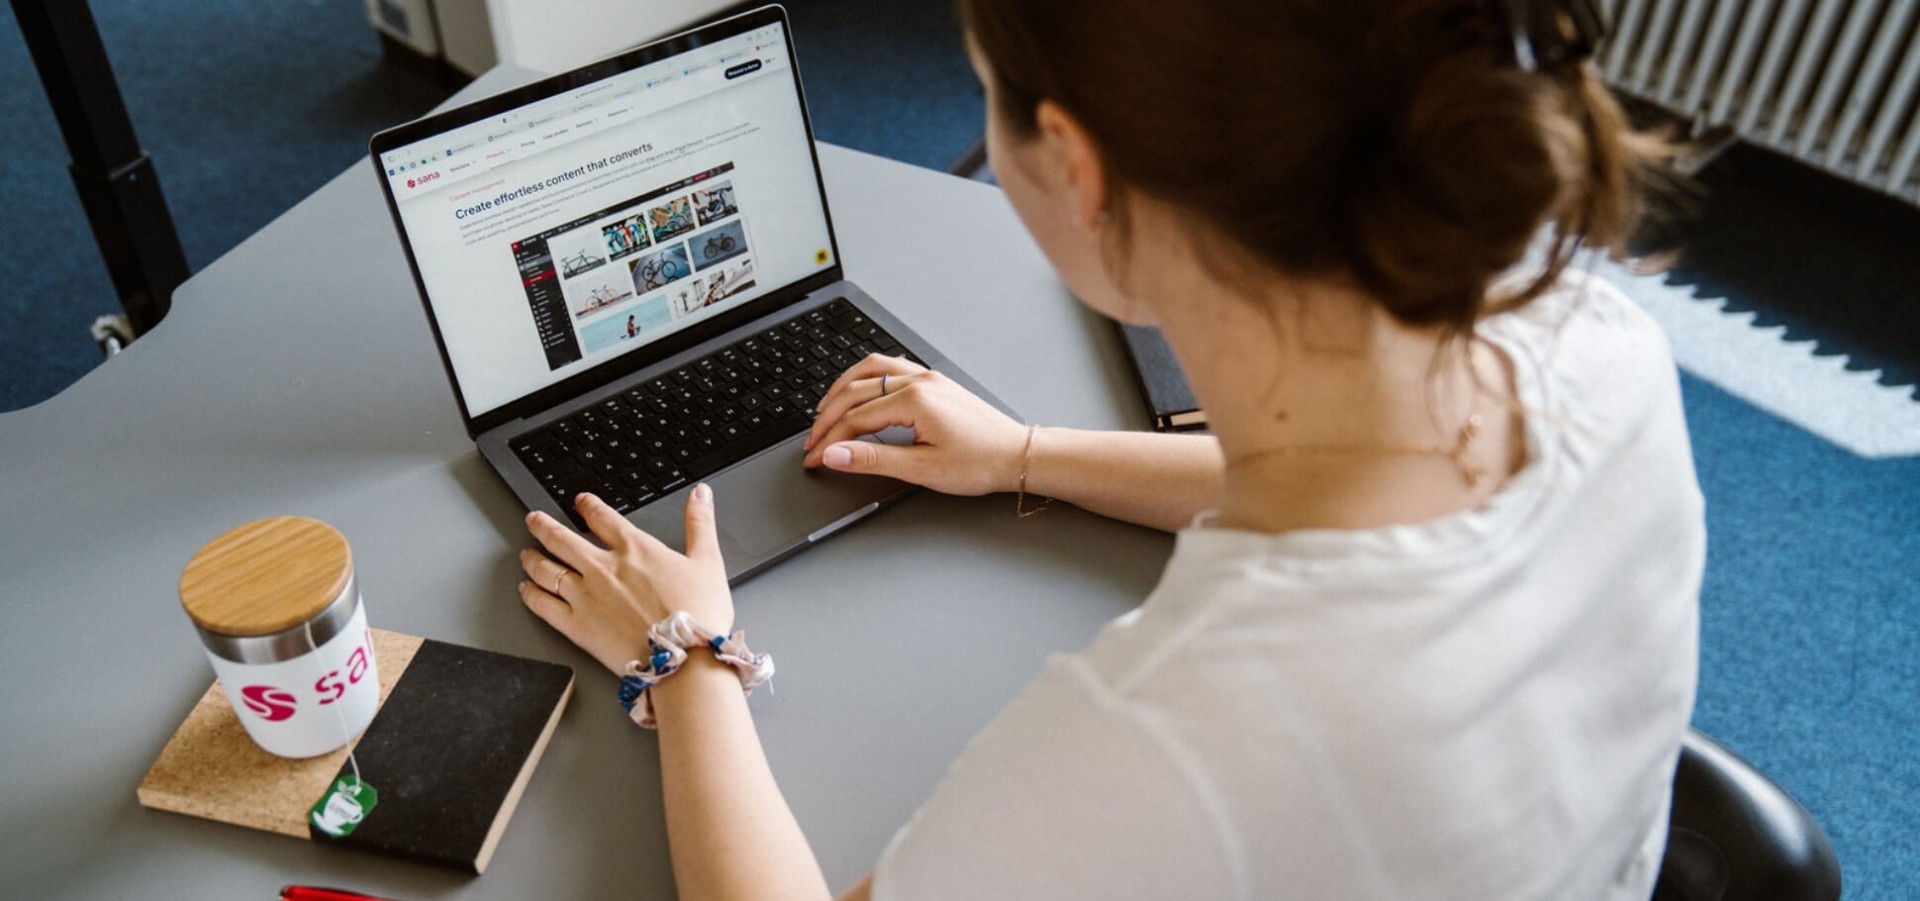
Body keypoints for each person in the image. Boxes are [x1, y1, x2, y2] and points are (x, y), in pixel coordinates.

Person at [516, 0, 1701, 897]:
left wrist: (688, 660)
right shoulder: (1600, 348)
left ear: (1078, 167)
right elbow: (1337, 477)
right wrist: (1024, 453)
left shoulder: (1175, 741)